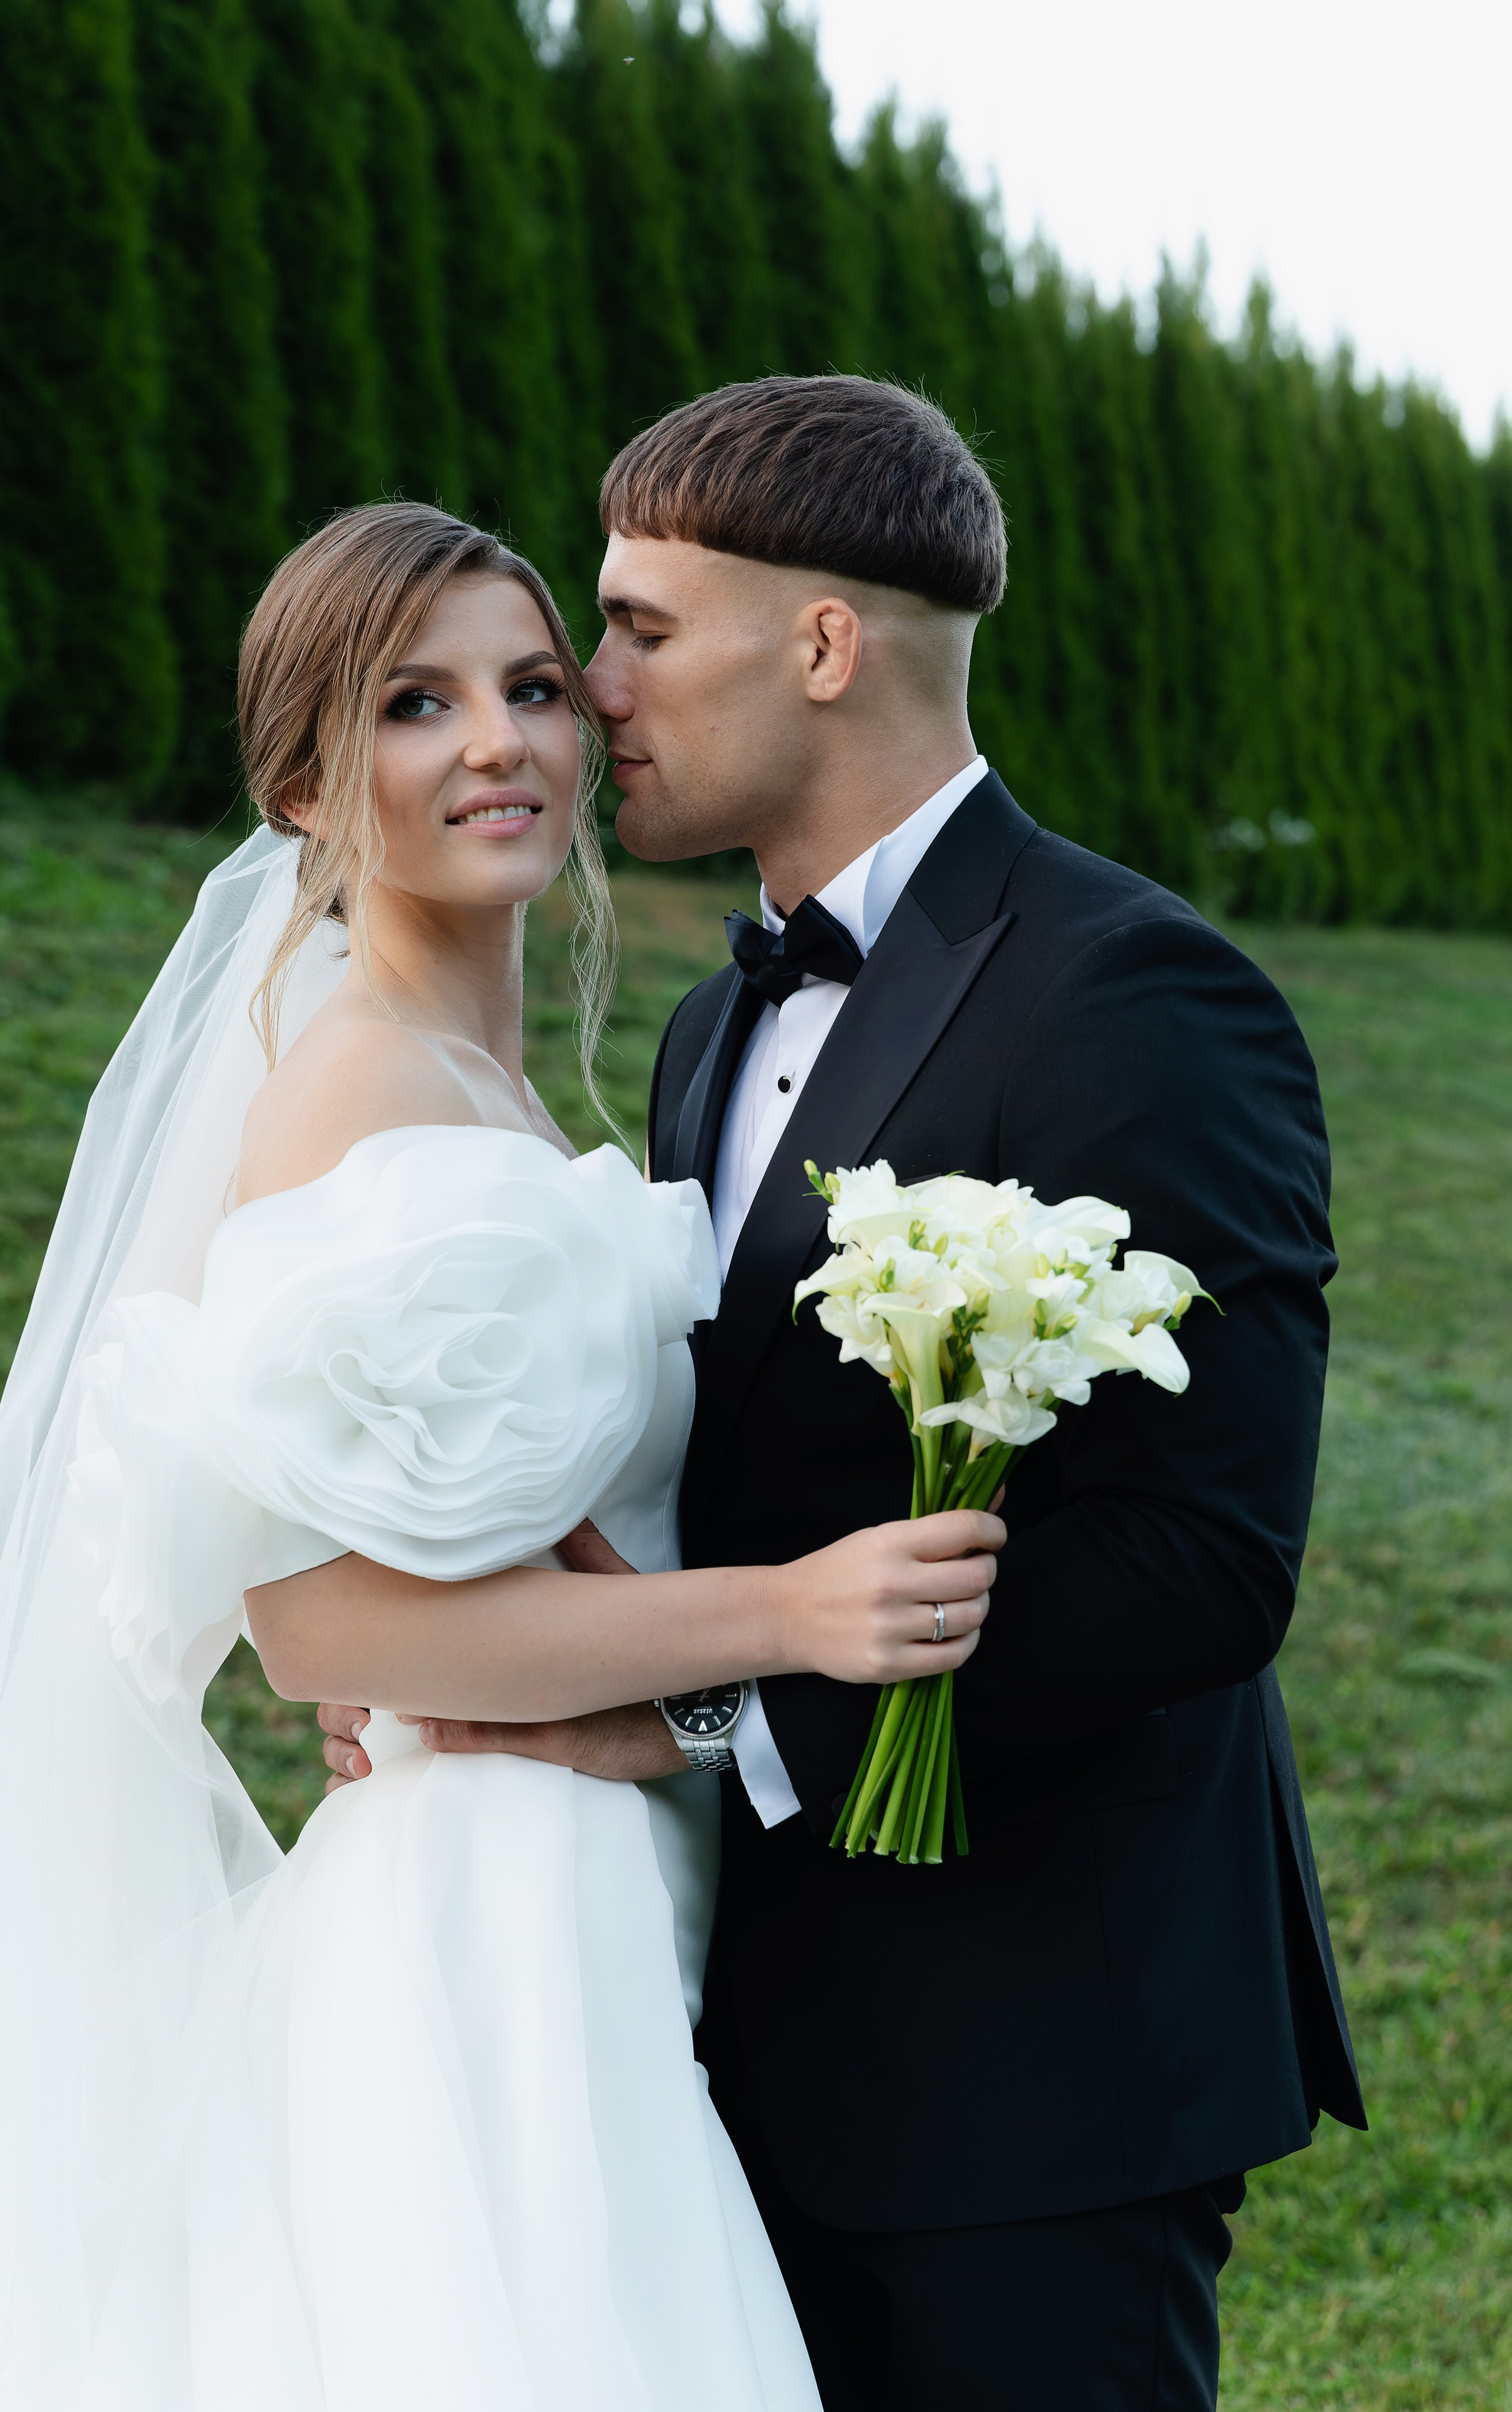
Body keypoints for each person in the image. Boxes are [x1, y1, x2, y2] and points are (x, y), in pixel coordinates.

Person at [323, 376, 1366, 2411]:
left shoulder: (1136, 992)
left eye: (638, 630)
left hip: (1041, 2058)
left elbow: (1201, 1561)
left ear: (820, 645)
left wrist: (713, 1715)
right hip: (742, 2041)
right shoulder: (716, 1028)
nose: (588, 689)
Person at [0, 501, 999, 2409]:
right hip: (492, 1914)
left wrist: (676, 1657)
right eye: (418, 705)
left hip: (604, 1867)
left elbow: (511, 1543)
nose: (497, 742)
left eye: (530, 687)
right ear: (310, 782)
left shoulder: (507, 1080)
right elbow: (326, 1625)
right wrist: (799, 1614)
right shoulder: (358, 1090)